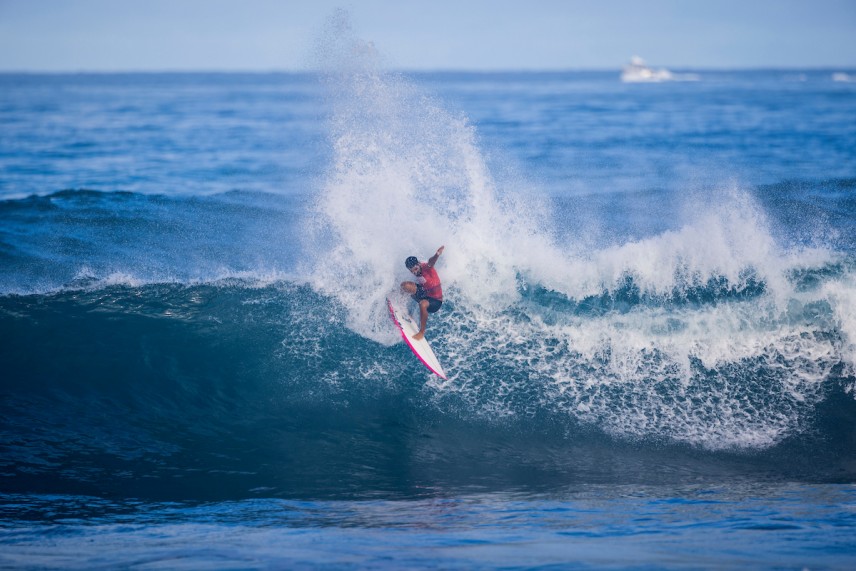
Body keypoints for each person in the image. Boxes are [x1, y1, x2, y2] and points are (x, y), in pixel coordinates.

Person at [400, 245, 444, 340]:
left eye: (415, 269)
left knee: (423, 304)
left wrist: (437, 254)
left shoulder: (426, 267)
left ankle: (421, 332)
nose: (414, 273)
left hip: (435, 302)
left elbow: (431, 262)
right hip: (425, 294)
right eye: (411, 271)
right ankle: (400, 304)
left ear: (419, 264)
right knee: (404, 286)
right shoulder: (417, 271)